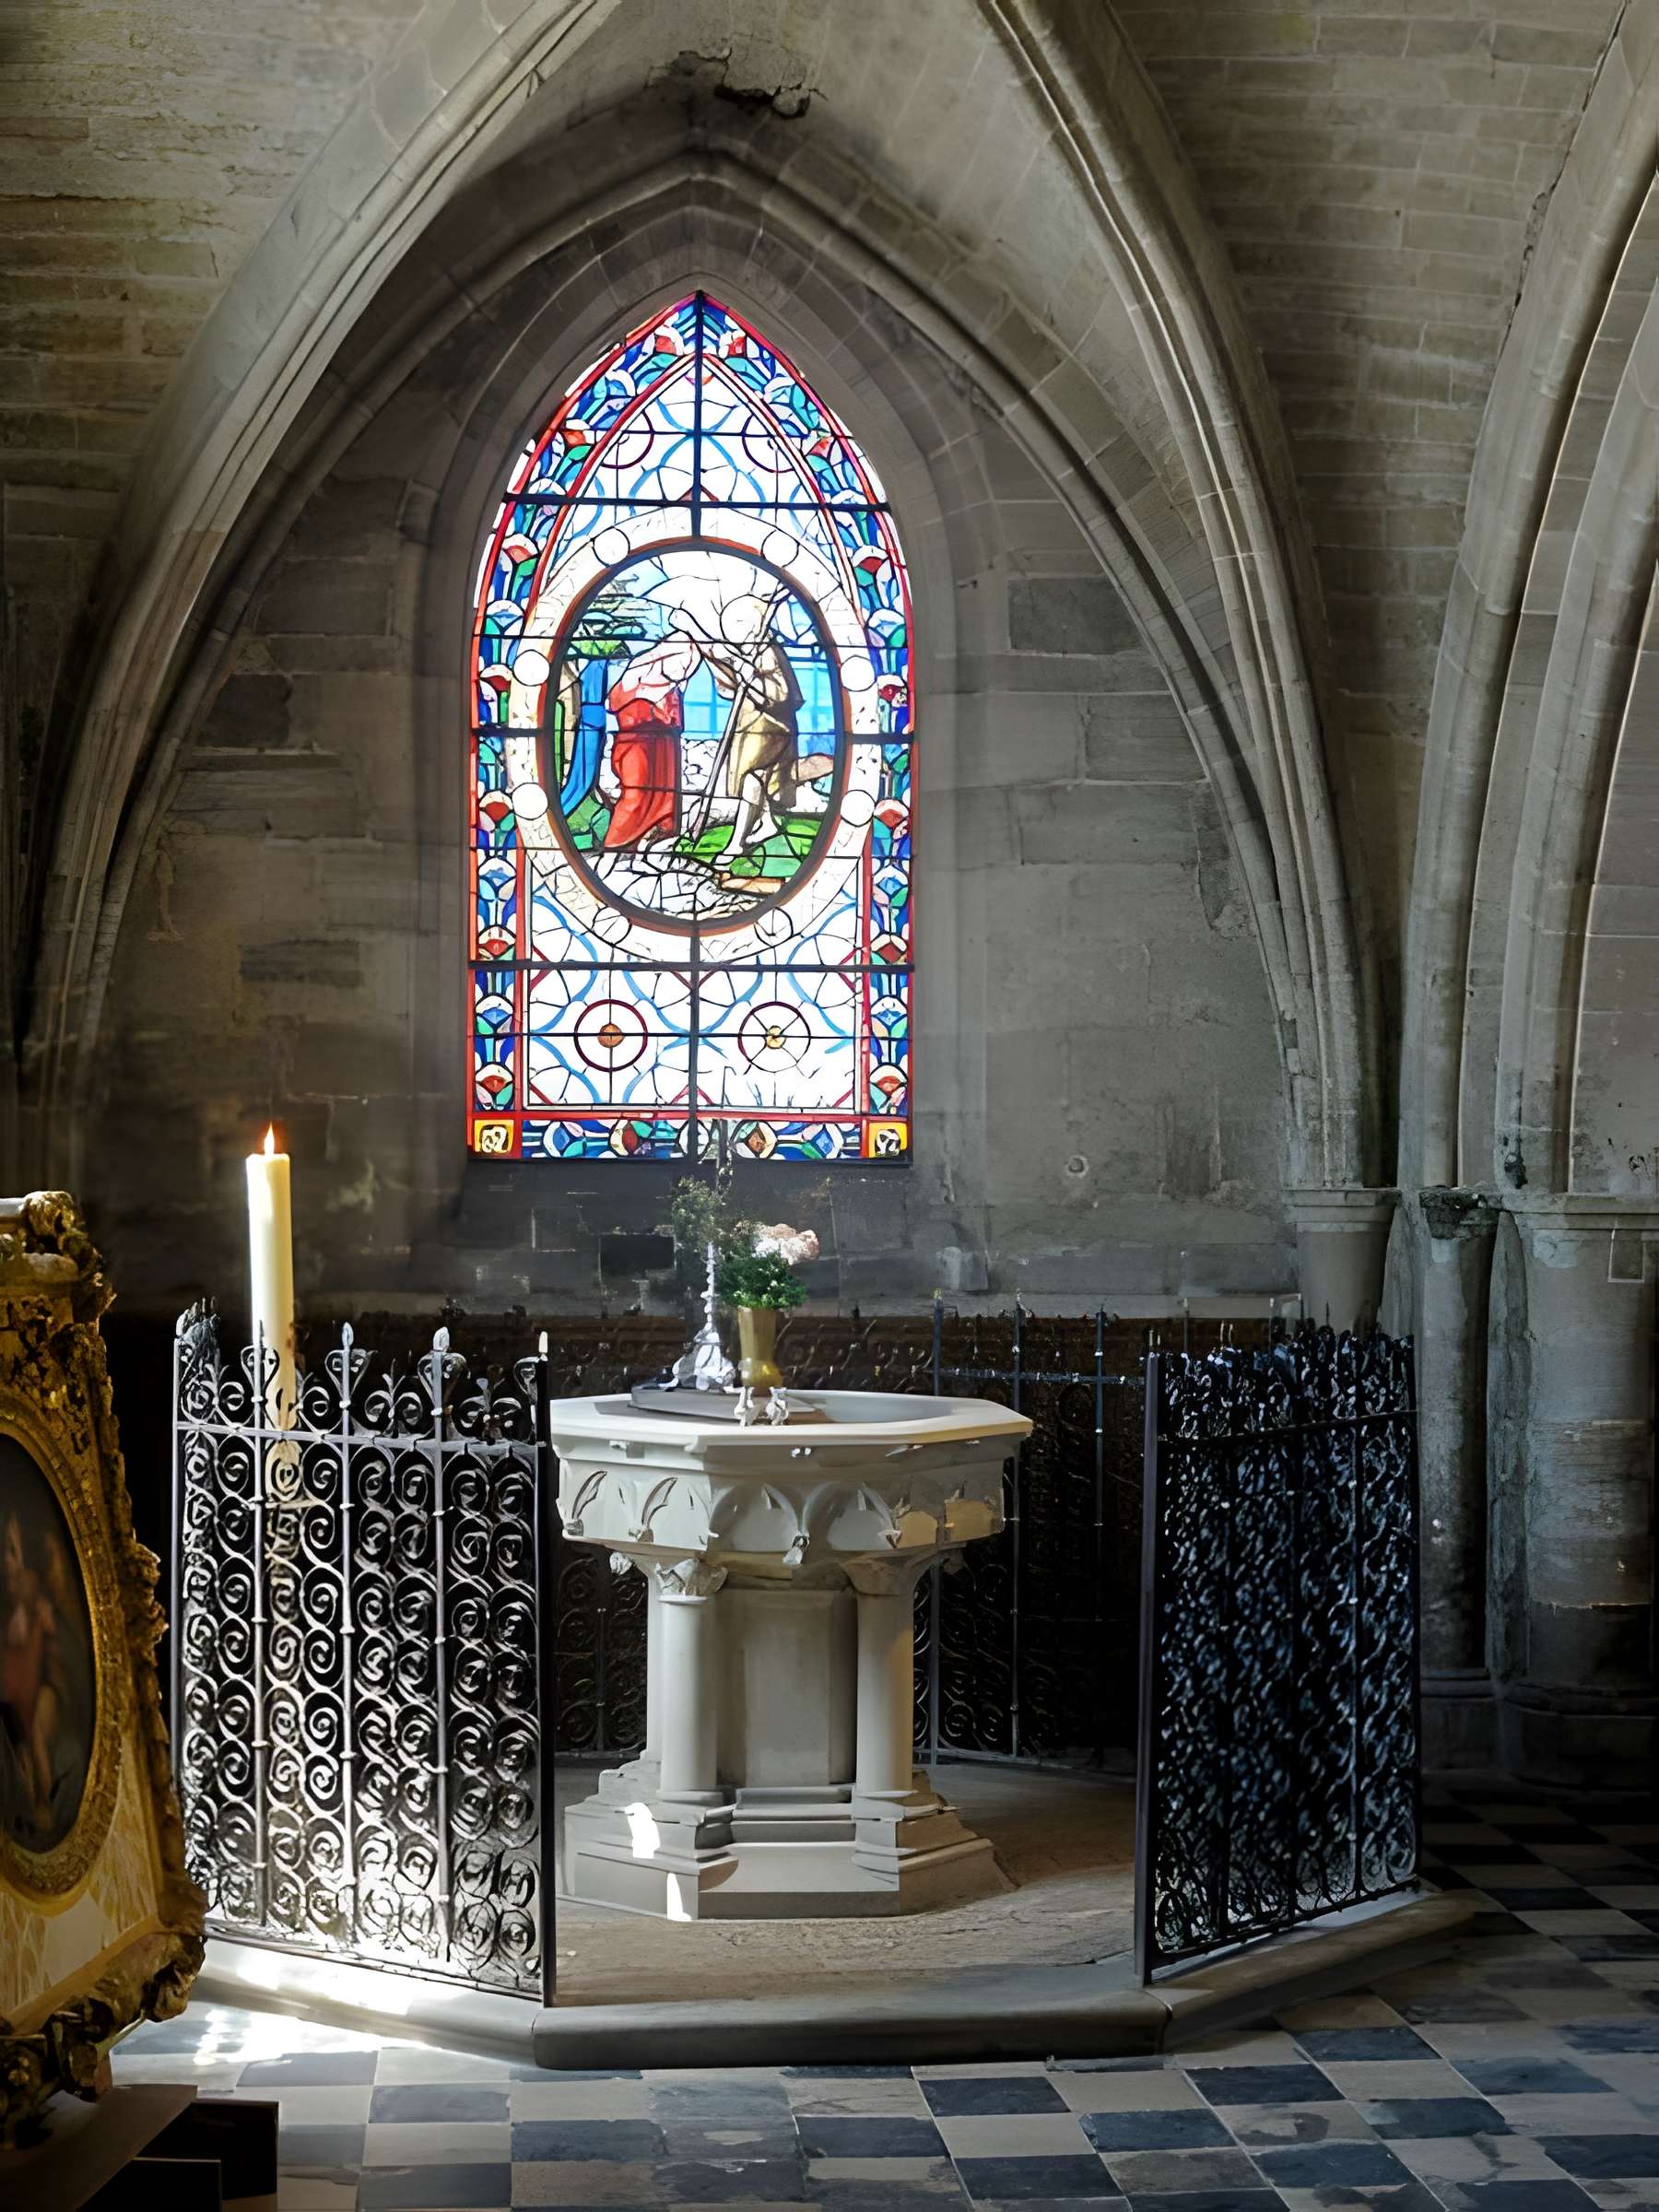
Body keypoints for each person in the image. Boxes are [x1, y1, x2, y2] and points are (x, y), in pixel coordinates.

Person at [700, 605, 803, 856]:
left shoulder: (767, 651)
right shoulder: (746, 651)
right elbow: (732, 687)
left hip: (772, 727)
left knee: (752, 778)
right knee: (758, 777)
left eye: (739, 624)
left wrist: (752, 679)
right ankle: (767, 823)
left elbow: (782, 692)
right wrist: (713, 661)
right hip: (749, 726)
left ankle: (737, 842)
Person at [601, 630, 700, 849]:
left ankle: (648, 842)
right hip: (637, 747)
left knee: (664, 801)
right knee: (636, 796)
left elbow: (675, 722)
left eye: (687, 666)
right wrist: (646, 697)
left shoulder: (673, 688)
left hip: (665, 751)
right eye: (681, 663)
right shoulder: (636, 673)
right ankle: (614, 845)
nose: (683, 670)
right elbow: (612, 704)